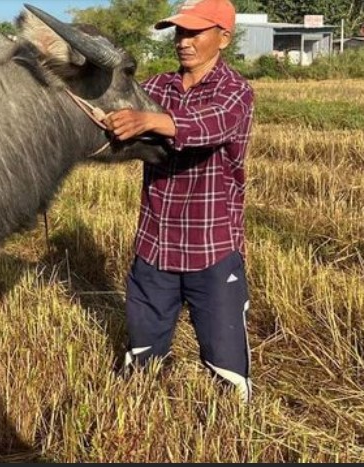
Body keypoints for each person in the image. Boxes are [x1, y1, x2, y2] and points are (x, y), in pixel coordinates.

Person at [103, 0, 256, 400]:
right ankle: (137, 415)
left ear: (224, 38)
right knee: (142, 353)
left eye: (194, 32)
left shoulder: (235, 91)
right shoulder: (157, 87)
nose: (183, 42)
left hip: (211, 248)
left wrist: (148, 120)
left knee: (225, 363)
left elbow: (210, 125)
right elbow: (115, 109)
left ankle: (232, 426)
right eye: (180, 32)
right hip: (154, 244)